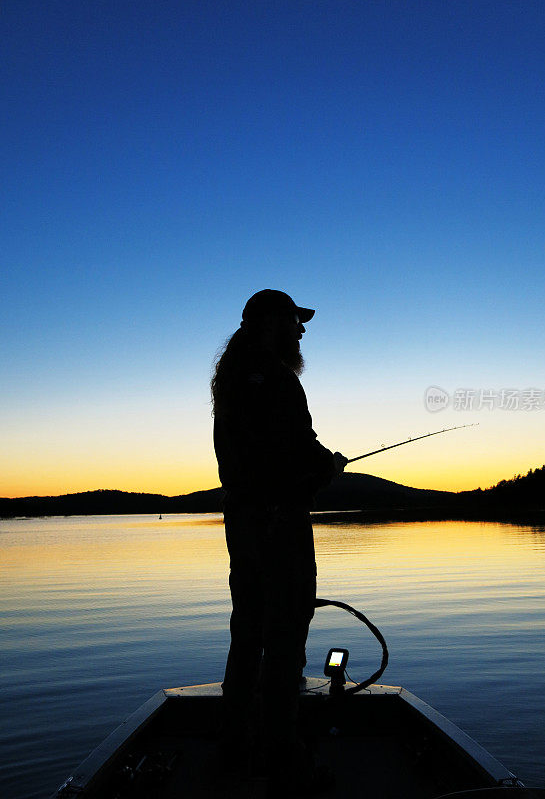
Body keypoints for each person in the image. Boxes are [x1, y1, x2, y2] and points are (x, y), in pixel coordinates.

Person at [211, 289, 347, 792]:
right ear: (272, 323)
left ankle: (234, 745)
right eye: (296, 320)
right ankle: (283, 760)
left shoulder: (231, 380)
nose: (302, 330)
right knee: (287, 633)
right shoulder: (279, 380)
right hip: (280, 525)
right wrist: (329, 467)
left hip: (243, 526)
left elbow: (252, 460)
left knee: (248, 633)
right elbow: (295, 457)